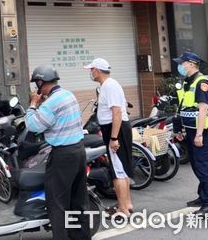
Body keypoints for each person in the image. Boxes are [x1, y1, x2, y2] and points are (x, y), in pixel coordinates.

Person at [25, 65, 90, 240]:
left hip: (63, 155)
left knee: (58, 204)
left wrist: (32, 105)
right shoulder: (69, 95)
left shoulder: (50, 103)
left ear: (40, 83)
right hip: (79, 151)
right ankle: (80, 236)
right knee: (78, 200)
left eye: (36, 84)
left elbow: (33, 126)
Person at [84, 58, 133, 217]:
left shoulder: (110, 86)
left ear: (97, 70)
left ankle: (123, 210)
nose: (91, 73)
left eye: (91, 70)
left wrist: (113, 138)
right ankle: (126, 204)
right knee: (122, 168)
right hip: (115, 128)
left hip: (115, 129)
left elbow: (116, 112)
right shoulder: (106, 86)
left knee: (118, 170)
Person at [173, 51, 208, 214]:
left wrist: (199, 134)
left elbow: (203, 109)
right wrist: (181, 129)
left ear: (191, 64)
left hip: (202, 131)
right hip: (191, 130)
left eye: (182, 63)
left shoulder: (201, 82)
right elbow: (185, 107)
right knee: (196, 164)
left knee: (203, 165)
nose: (180, 66)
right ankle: (202, 196)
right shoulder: (189, 82)